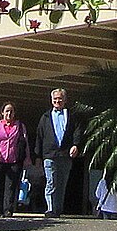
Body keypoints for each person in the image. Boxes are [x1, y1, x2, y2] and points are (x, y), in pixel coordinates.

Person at [34, 88, 84, 216]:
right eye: (55, 99)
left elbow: (77, 131)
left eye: (60, 99)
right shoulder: (45, 117)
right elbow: (39, 136)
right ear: (51, 100)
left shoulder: (71, 116)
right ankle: (50, 208)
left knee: (61, 183)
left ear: (65, 100)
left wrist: (75, 145)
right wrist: (38, 156)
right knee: (51, 181)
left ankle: (57, 209)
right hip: (49, 155)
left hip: (65, 154)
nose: (57, 101)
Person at [0, 103, 28, 217]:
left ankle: (8, 210)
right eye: (7, 111)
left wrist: (27, 158)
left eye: (11, 111)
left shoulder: (19, 127)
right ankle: (0, 210)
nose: (9, 113)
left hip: (14, 161)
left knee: (11, 186)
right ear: (2, 112)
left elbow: (25, 143)